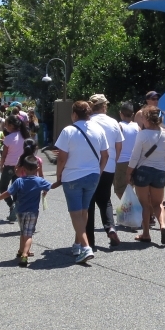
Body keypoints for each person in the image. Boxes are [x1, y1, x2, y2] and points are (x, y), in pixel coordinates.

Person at [52, 101, 110, 265]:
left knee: (76, 213)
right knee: (84, 211)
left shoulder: (68, 131)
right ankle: (77, 244)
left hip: (72, 176)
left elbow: (61, 158)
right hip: (93, 175)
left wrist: (59, 176)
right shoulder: (98, 130)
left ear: (75, 114)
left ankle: (85, 247)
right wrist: (99, 171)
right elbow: (105, 155)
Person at [0, 155, 51, 267]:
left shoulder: (19, 181)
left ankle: (21, 250)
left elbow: (8, 193)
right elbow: (51, 186)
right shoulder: (39, 181)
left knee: (23, 232)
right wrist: (62, 180)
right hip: (32, 212)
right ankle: (25, 254)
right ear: (37, 168)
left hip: (20, 211)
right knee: (29, 235)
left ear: (23, 169)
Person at [127, 107, 165, 245]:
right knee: (158, 204)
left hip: (143, 171)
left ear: (148, 119)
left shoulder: (142, 135)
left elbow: (135, 156)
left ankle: (146, 234)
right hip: (159, 171)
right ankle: (163, 226)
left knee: (144, 204)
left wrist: (128, 172)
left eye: (143, 118)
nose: (142, 120)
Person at [86, 94, 125, 247]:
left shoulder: (87, 122)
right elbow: (119, 146)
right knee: (105, 199)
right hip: (109, 166)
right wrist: (114, 160)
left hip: (90, 166)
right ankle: (110, 227)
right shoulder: (113, 122)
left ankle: (90, 240)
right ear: (104, 106)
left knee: (89, 201)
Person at [0, 116, 25, 221]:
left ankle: (11, 205)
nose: (5, 127)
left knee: (2, 188)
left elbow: (4, 154)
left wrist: (1, 165)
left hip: (9, 165)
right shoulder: (24, 136)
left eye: (6, 125)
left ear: (11, 125)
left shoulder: (8, 138)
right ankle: (14, 209)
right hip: (20, 165)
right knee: (16, 189)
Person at [115, 102, 141, 199]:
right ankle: (133, 203)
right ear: (133, 114)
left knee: (119, 188)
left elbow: (116, 144)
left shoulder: (119, 126)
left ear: (120, 114)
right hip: (135, 161)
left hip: (121, 161)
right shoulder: (137, 127)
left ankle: (129, 205)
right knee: (133, 185)